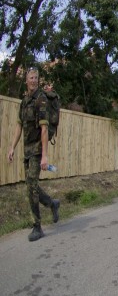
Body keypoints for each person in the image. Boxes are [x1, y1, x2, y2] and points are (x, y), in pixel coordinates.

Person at [7, 68, 61, 242]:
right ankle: (52, 204)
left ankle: (37, 226)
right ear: (26, 80)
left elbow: (44, 129)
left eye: (36, 78)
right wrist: (12, 147)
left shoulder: (41, 100)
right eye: (31, 78)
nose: (33, 80)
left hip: (38, 149)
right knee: (31, 185)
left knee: (31, 185)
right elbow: (19, 126)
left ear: (38, 81)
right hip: (27, 150)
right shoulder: (24, 101)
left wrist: (45, 156)